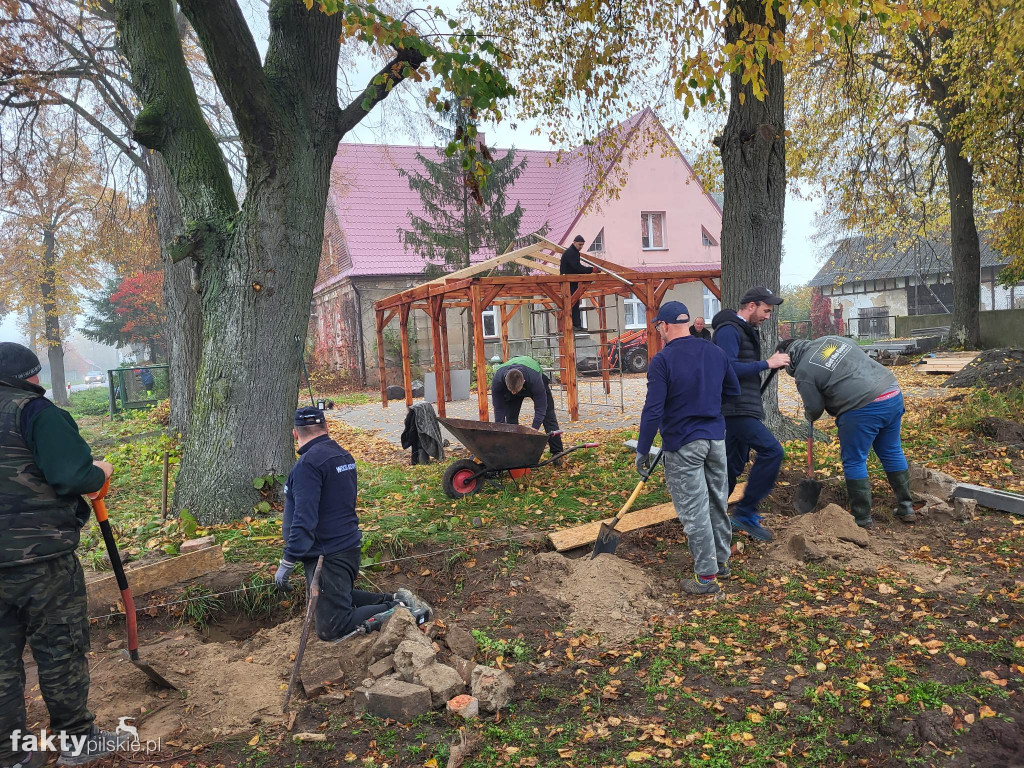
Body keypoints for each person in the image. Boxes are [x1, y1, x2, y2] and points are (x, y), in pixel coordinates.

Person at [0, 342, 126, 768]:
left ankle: (11, 755)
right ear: (29, 376)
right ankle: (77, 740)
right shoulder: (34, 411)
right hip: (41, 562)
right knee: (59, 648)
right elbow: (73, 475)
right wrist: (100, 471)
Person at [275, 407, 429, 640]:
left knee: (332, 627)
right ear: (326, 428)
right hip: (344, 547)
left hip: (328, 554)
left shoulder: (308, 465)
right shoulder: (342, 456)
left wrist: (287, 561)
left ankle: (401, 611)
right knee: (332, 597)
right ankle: (394, 600)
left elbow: (304, 519)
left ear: (295, 433)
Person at [636, 302, 741, 595]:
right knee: (717, 501)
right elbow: (733, 391)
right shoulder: (715, 352)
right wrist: (706, 405)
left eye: (659, 327)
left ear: (665, 326)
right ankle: (721, 562)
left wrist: (643, 449)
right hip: (715, 441)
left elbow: (653, 410)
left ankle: (706, 577)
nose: (659, 332)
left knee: (694, 509)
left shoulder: (662, 361)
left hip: (683, 445)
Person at [778, 336, 914, 529]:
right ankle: (906, 507)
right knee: (892, 451)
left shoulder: (803, 371)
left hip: (861, 407)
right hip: (891, 392)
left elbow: (814, 409)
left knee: (854, 460)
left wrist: (809, 414)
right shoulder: (831, 340)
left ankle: (862, 518)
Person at [711, 287, 791, 542]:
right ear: (751, 305)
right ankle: (744, 512)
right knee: (772, 451)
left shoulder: (744, 330)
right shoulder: (728, 330)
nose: (768, 316)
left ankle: (713, 516)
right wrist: (767, 363)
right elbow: (727, 367)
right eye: (766, 310)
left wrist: (767, 363)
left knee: (731, 466)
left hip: (742, 406)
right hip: (734, 408)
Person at [490, 356, 564, 456]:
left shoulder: (535, 380)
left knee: (548, 415)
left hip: (534, 376)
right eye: (511, 390)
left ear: (524, 382)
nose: (513, 393)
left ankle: (557, 452)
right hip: (514, 382)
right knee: (510, 418)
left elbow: (541, 407)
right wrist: (500, 428)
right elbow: (499, 408)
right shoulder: (498, 381)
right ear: (505, 382)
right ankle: (513, 451)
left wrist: (534, 428)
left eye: (516, 391)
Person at [559, 235, 594, 332]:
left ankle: (576, 324)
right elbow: (577, 267)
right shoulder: (570, 252)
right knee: (571, 303)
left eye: (582, 245)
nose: (581, 247)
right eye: (579, 244)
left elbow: (577, 268)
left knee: (574, 303)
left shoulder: (574, 252)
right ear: (574, 243)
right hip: (568, 282)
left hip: (572, 281)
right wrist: (591, 270)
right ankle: (572, 325)